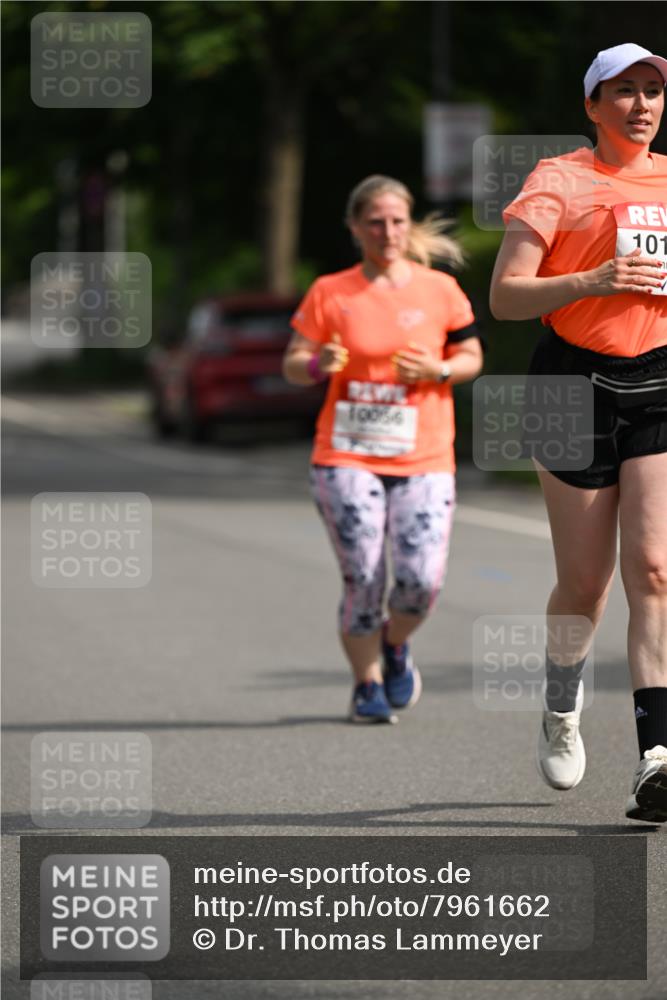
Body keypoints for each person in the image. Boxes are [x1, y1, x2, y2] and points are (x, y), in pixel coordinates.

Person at [490, 43, 667, 821]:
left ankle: (656, 755)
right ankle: (562, 705)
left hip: (656, 378)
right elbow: (505, 297)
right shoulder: (557, 180)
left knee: (655, 569)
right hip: (569, 384)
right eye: (622, 91)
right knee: (585, 584)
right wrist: (591, 280)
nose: (640, 104)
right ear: (591, 106)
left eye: (652, 91)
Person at [283, 175, 484, 723]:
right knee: (364, 575)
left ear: (409, 224)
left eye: (397, 220)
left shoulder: (439, 289)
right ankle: (366, 682)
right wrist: (316, 364)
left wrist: (438, 368)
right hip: (346, 454)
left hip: (424, 458)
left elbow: (471, 355)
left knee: (420, 581)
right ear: (355, 228)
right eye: (375, 221)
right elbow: (293, 362)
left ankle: (396, 644)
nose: (388, 231)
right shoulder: (331, 290)